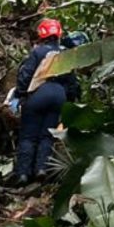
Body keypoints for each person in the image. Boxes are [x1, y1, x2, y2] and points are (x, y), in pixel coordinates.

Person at [13, 18, 81, 184]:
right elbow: (72, 83)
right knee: (47, 135)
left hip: (39, 93)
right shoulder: (66, 54)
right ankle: (41, 169)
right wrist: (70, 101)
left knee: (29, 135)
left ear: (41, 34)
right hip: (59, 95)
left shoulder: (38, 52)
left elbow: (25, 75)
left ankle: (23, 174)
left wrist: (22, 95)